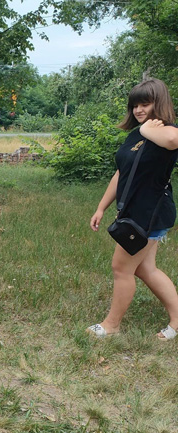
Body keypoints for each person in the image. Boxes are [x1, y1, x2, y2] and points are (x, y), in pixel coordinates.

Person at [89, 78, 178, 340]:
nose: (139, 110)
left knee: (121, 268)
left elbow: (173, 139)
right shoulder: (134, 135)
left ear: (159, 103)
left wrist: (147, 130)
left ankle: (111, 325)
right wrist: (101, 207)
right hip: (135, 211)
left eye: (145, 104)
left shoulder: (165, 131)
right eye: (135, 105)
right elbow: (121, 172)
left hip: (150, 213)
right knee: (145, 269)